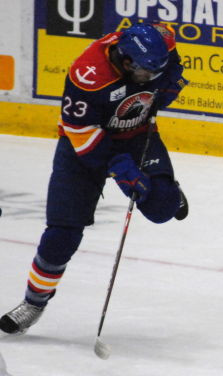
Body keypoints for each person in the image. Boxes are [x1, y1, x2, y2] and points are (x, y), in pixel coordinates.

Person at [0, 23, 189, 335]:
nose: (150, 79)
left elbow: (172, 62)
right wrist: (121, 169)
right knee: (63, 233)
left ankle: (172, 192)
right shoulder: (87, 76)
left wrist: (170, 83)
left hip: (137, 134)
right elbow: (82, 135)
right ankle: (34, 303)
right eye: (146, 73)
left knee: (161, 208)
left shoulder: (159, 43)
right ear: (125, 61)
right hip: (82, 146)